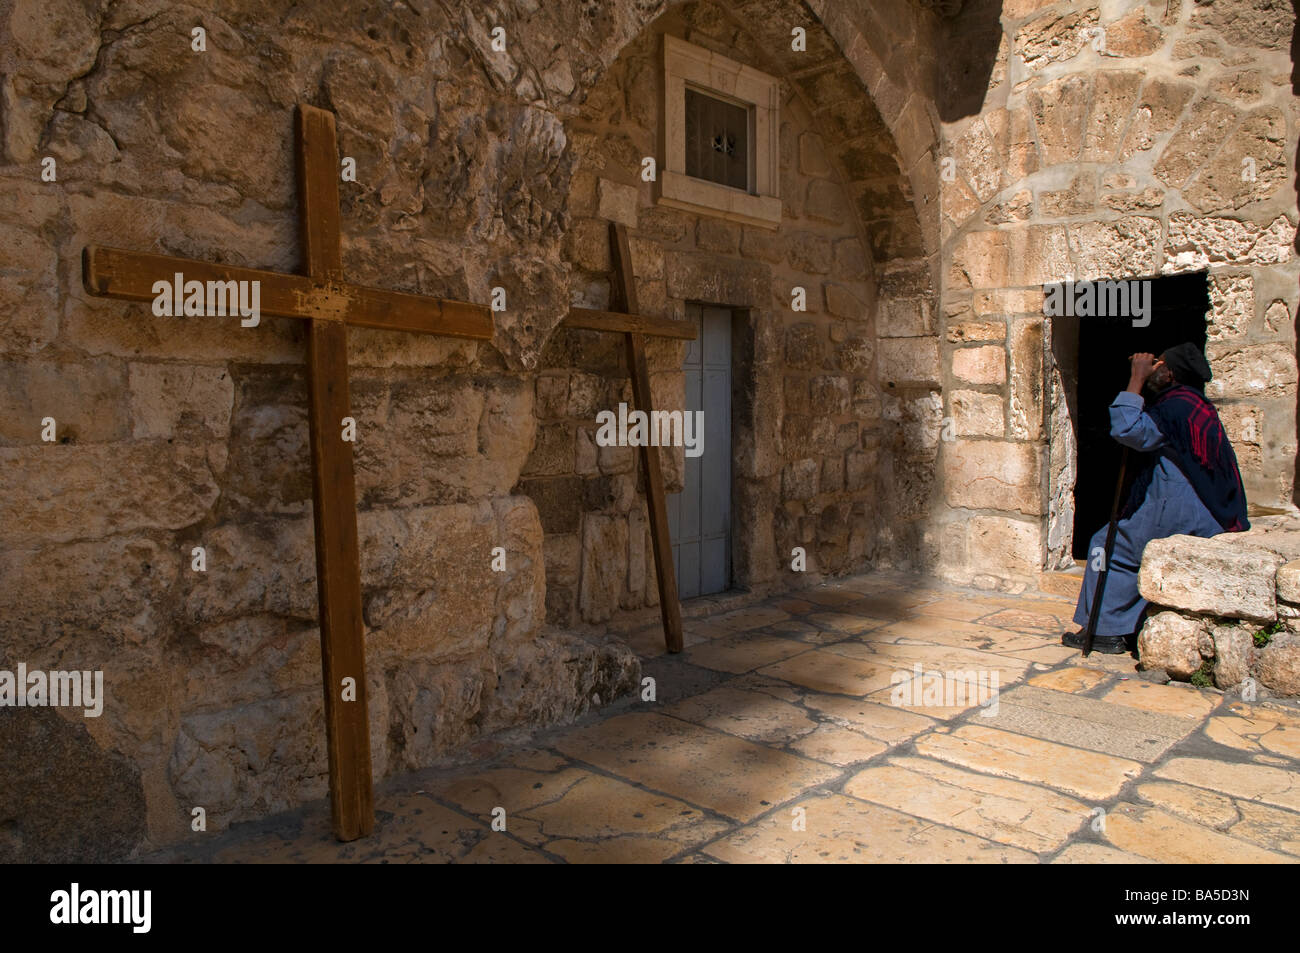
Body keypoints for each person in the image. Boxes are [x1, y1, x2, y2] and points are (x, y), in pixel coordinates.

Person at [1062, 342, 1249, 654]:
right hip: (1209, 509)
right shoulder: (1196, 404)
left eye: (1158, 365)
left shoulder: (1174, 406)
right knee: (1120, 546)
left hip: (1177, 506)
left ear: (1170, 374)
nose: (1152, 369)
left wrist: (1135, 378)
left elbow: (1127, 430)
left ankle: (1105, 630)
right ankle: (1126, 621)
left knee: (1106, 547)